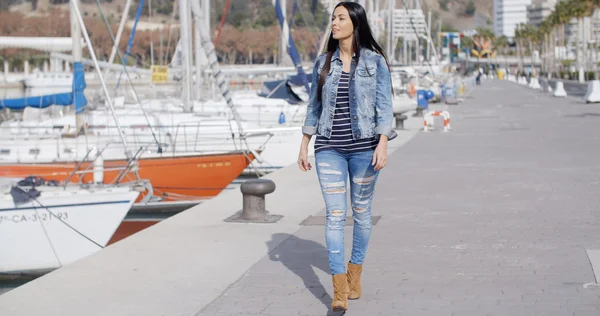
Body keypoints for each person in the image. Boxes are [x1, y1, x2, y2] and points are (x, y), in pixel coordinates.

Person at [296, 1, 396, 312]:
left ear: (355, 21)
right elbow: (314, 105)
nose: (334, 23)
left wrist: (383, 143)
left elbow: (385, 105)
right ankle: (339, 289)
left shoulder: (375, 62)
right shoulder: (324, 62)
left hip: (366, 148)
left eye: (340, 18)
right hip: (329, 147)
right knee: (335, 215)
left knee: (362, 214)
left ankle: (356, 272)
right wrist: (304, 142)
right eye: (333, 18)